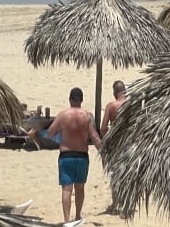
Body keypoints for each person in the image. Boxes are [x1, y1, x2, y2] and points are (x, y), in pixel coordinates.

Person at [46, 87, 101, 223]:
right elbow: (95, 137)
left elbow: (50, 133)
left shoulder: (63, 115)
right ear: (81, 100)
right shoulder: (87, 116)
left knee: (66, 189)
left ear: (70, 99)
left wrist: (61, 136)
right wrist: (103, 152)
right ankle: (77, 216)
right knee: (80, 188)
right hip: (82, 156)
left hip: (66, 155)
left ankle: (66, 220)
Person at [101, 81, 128, 216]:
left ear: (114, 93)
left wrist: (107, 141)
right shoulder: (131, 104)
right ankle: (126, 204)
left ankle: (116, 204)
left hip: (115, 145)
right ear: (125, 91)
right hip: (129, 143)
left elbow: (103, 128)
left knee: (115, 175)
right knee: (127, 174)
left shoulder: (111, 106)